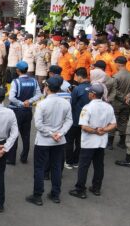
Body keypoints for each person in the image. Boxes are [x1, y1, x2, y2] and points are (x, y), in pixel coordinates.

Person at [27, 76, 73, 206]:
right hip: (59, 141)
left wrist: (51, 134)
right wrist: (60, 133)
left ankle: (37, 195)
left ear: (47, 88)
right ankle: (55, 194)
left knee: (39, 168)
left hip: (43, 141)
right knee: (56, 167)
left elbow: (38, 124)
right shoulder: (65, 103)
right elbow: (69, 120)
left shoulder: (42, 104)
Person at [68, 83, 117, 199]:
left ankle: (80, 189)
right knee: (99, 165)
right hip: (101, 142)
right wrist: (103, 129)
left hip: (89, 142)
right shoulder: (108, 107)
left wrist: (95, 131)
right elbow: (114, 124)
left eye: (89, 92)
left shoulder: (87, 108)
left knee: (84, 166)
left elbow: (84, 127)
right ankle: (96, 188)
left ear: (93, 94)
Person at [7, 61, 41, 165]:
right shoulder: (34, 81)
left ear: (17, 70)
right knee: (26, 135)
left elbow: (11, 97)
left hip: (16, 110)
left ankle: (11, 159)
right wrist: (28, 102)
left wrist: (21, 103)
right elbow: (39, 94)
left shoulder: (16, 82)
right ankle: (24, 157)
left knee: (13, 134)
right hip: (28, 110)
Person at [66, 68, 91, 168]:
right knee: (80, 141)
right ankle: (76, 160)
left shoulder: (77, 89)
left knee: (69, 141)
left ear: (79, 76)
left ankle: (68, 161)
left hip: (75, 118)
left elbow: (72, 103)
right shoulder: (92, 87)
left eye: (76, 76)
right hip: (86, 120)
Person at [110, 56, 130, 149]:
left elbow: (114, 90)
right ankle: (122, 141)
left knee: (113, 121)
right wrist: (128, 97)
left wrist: (123, 97)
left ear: (118, 64)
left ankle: (110, 143)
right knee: (123, 122)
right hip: (128, 103)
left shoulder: (116, 76)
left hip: (117, 103)